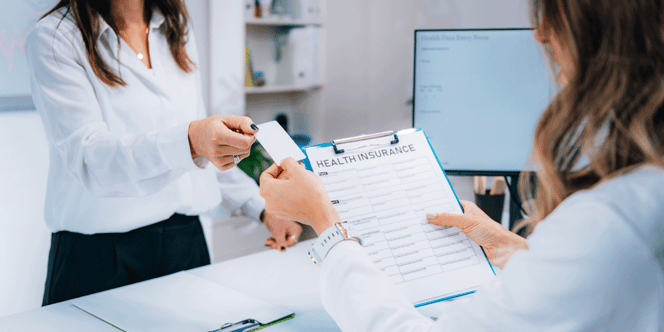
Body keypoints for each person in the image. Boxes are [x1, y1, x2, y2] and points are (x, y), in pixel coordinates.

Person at [259, 0, 664, 330]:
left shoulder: (610, 219)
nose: (541, 33)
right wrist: (512, 250)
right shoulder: (641, 195)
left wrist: (327, 229)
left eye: (555, 13)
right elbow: (589, 285)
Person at [26, 0, 303, 306]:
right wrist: (191, 141)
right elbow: (92, 160)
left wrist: (262, 208)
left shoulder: (175, 28)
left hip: (184, 244)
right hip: (99, 258)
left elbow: (201, 158)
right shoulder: (55, 37)